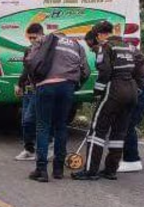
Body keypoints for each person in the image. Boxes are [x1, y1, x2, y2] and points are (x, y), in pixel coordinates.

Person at [73, 21, 139, 181]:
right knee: (119, 132)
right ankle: (110, 170)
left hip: (115, 90)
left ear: (98, 35)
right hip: (132, 91)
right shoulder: (127, 46)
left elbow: (105, 72)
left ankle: (90, 171)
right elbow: (137, 66)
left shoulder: (106, 47)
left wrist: (97, 92)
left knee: (97, 130)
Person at [26, 30, 90, 182]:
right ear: (65, 36)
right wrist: (75, 85)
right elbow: (86, 71)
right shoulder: (76, 45)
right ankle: (58, 170)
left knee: (43, 126)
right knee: (61, 126)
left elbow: (30, 61)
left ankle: (41, 170)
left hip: (46, 86)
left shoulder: (45, 39)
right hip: (67, 86)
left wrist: (33, 81)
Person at [15, 23, 46, 161]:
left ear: (41, 35)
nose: (32, 40)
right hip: (28, 89)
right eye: (30, 38)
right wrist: (19, 85)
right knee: (24, 121)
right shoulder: (28, 50)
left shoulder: (46, 50)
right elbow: (26, 70)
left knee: (33, 120)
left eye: (34, 37)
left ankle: (45, 147)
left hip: (39, 89)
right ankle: (29, 149)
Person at [120, 47, 144, 172]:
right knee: (125, 124)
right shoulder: (128, 50)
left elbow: (121, 76)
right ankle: (128, 158)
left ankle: (132, 160)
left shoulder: (122, 54)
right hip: (140, 89)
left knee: (128, 125)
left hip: (140, 91)